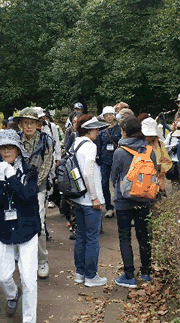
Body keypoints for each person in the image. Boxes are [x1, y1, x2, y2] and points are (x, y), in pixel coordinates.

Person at [0, 129, 40, 322]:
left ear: (18, 149)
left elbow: (28, 196)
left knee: (28, 279)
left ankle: (29, 319)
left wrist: (12, 177)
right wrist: (0, 180)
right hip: (4, 230)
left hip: (27, 228)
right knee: (1, 275)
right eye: (2, 148)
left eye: (10, 147)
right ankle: (11, 294)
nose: (6, 151)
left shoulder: (30, 170)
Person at [111, 117, 157, 288]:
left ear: (125, 131)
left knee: (125, 237)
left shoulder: (119, 152)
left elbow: (114, 177)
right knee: (144, 236)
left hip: (123, 200)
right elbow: (155, 172)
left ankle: (129, 275)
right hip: (145, 199)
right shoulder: (149, 151)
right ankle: (145, 273)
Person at [14, 107, 55, 279]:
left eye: (32, 122)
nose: (28, 126)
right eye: (25, 123)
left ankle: (42, 260)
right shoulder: (16, 140)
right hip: (18, 188)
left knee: (39, 224)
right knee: (16, 221)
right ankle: (20, 258)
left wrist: (31, 186)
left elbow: (47, 165)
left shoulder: (46, 140)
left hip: (38, 189)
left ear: (37, 124)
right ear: (21, 124)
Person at [71, 115, 109, 287]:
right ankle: (91, 276)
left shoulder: (75, 143)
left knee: (81, 236)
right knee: (92, 238)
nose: (97, 132)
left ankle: (80, 273)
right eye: (95, 129)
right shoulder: (90, 147)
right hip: (89, 199)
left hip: (78, 197)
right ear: (89, 129)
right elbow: (88, 173)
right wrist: (95, 197)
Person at [95, 106, 120, 218]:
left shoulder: (120, 128)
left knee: (117, 183)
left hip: (117, 159)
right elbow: (98, 145)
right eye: (106, 115)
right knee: (104, 184)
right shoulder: (101, 130)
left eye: (111, 114)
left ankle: (120, 206)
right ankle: (109, 207)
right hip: (104, 160)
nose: (109, 117)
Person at [141, 117, 172, 196]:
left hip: (158, 184)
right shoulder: (138, 144)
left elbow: (168, 162)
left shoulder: (159, 143)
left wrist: (160, 168)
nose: (149, 137)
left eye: (151, 135)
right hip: (141, 185)